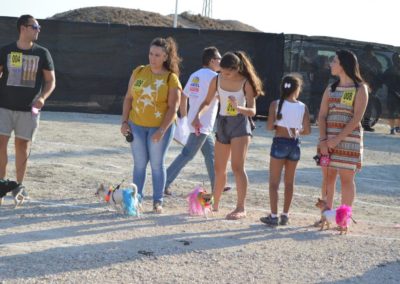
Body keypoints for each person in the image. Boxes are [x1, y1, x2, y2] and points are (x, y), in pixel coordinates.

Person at [192, 51, 264, 220]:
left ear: (237, 68)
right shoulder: (216, 79)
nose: (224, 75)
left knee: (237, 167)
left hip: (240, 123)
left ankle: (241, 207)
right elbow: (207, 101)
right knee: (219, 168)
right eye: (222, 72)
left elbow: (253, 111)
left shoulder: (246, 83)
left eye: (228, 73)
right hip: (223, 123)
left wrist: (238, 107)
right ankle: (214, 204)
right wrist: (197, 116)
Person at [120, 37, 182, 213]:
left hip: (159, 127)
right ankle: (135, 200)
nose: (152, 58)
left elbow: (173, 107)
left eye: (157, 55)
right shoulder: (138, 72)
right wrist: (124, 122)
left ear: (165, 57)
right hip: (136, 125)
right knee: (139, 164)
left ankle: (157, 201)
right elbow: (128, 98)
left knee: (156, 164)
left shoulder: (171, 78)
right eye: (150, 53)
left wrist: (162, 130)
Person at [0, 15, 56, 197]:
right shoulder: (6, 50)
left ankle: (18, 186)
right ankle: (1, 187)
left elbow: (50, 81)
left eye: (38, 27)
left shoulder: (42, 53)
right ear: (23, 28)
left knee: (21, 146)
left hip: (28, 110)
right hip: (3, 107)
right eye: (35, 26)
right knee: (0, 144)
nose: (38, 29)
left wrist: (43, 98)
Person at [164, 47, 222, 195]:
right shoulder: (216, 78)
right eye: (219, 59)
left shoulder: (195, 75)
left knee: (211, 155)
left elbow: (184, 96)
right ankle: (164, 182)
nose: (221, 62)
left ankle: (218, 185)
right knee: (187, 154)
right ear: (211, 60)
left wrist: (185, 117)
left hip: (198, 124)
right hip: (201, 125)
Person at [317, 49, 368, 214]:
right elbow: (322, 115)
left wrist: (337, 139)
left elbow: (356, 118)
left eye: (334, 61)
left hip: (349, 141)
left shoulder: (360, 88)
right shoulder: (330, 88)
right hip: (328, 141)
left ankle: (343, 218)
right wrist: (324, 140)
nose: (331, 64)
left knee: (347, 180)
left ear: (344, 65)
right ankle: (326, 215)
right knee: (328, 178)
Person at [260, 74, 311, 226]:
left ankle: (274, 216)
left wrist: (278, 125)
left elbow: (269, 127)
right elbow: (307, 130)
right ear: (298, 89)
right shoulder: (303, 107)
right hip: (294, 144)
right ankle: (285, 215)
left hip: (279, 143)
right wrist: (297, 130)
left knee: (274, 183)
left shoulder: (275, 104)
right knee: (289, 182)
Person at [359, 44, 382, 132]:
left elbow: (379, 69)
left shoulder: (374, 59)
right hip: (361, 84)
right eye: (368, 50)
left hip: (372, 85)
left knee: (369, 105)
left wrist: (374, 69)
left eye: (370, 50)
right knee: (359, 104)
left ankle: (366, 124)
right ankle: (359, 123)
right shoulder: (361, 58)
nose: (369, 52)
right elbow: (356, 70)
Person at [382, 52, 400, 135]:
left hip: (392, 93)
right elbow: (383, 80)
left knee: (392, 112)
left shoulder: (389, 70)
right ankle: (395, 128)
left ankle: (394, 128)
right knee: (392, 112)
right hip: (393, 94)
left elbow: (383, 79)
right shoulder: (390, 70)